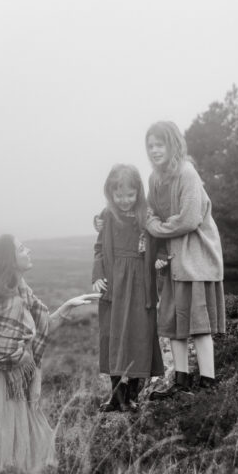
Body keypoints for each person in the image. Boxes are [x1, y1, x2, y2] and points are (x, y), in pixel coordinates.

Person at [0, 234, 97, 474]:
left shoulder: (18, 293)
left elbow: (30, 332)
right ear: (9, 261)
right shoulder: (10, 300)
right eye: (22, 248)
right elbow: (4, 351)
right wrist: (26, 361)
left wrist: (66, 307)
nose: (29, 251)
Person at [144, 121, 225, 398]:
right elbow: (149, 212)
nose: (155, 150)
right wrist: (155, 226)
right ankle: (181, 382)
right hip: (172, 261)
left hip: (196, 260)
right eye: (151, 146)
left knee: (199, 326)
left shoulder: (187, 173)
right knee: (171, 324)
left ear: (173, 145)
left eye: (160, 144)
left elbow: (189, 220)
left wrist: (156, 227)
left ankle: (208, 383)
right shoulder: (155, 179)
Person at [92, 164, 164, 412]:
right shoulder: (108, 215)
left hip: (141, 285)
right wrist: (98, 275)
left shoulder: (147, 214)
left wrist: (160, 257)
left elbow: (160, 240)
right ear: (110, 193)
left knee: (139, 336)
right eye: (118, 195)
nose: (124, 200)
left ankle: (132, 396)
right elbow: (99, 248)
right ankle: (116, 396)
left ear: (139, 192)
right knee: (113, 339)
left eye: (130, 195)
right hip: (114, 286)